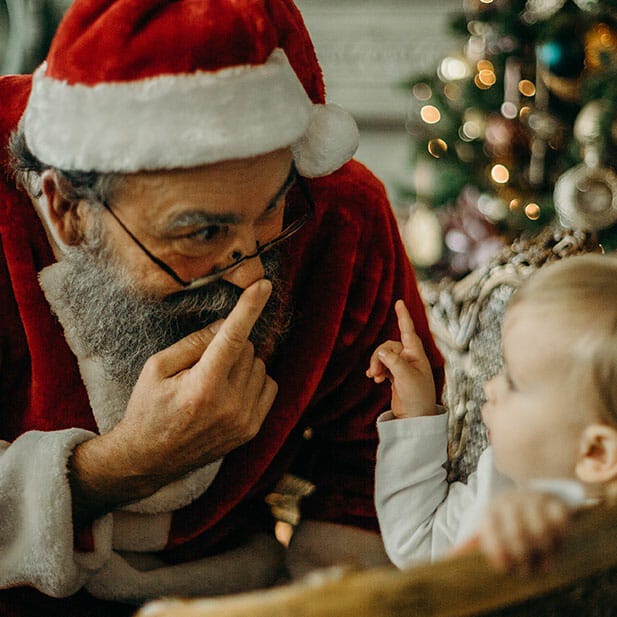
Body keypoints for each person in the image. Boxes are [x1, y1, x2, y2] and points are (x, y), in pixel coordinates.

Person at [0, 0, 445, 613]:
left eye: (272, 210)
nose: (252, 274)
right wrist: (118, 468)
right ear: (69, 209)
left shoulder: (339, 211)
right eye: (201, 233)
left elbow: (371, 466)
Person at [369, 253, 617, 574]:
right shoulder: (499, 474)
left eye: (514, 381)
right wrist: (416, 414)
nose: (489, 387)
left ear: (596, 452)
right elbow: (420, 543)